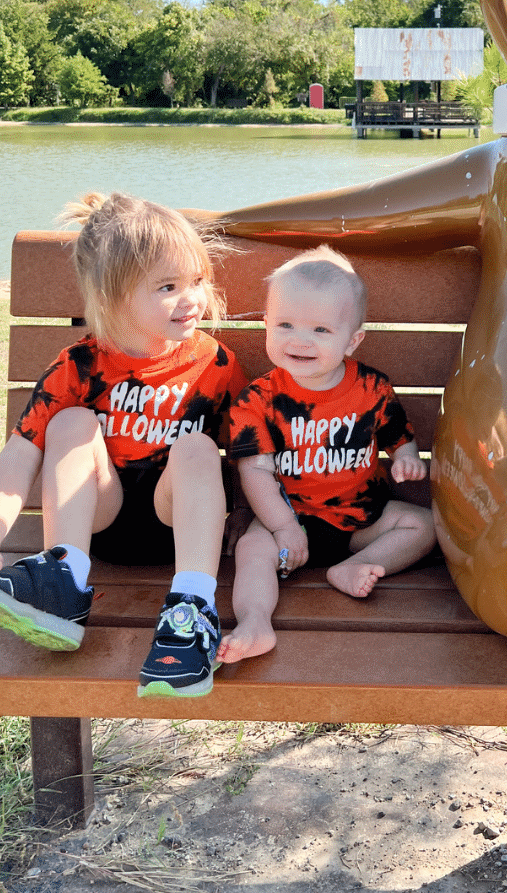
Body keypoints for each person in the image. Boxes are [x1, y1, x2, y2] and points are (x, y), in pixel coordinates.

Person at [0, 192, 246, 698]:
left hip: (176, 526)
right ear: (115, 298)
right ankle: (63, 580)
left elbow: (249, 456)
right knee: (69, 424)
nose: (192, 299)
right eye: (168, 286)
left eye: (197, 281)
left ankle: (192, 611)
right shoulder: (79, 366)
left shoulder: (215, 364)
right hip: (97, 521)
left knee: (198, 448)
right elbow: (19, 457)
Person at [218, 246, 434, 664]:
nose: (299, 340)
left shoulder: (371, 388)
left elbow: (397, 434)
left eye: (320, 330)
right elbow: (256, 473)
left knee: (422, 524)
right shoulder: (258, 400)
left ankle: (356, 567)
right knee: (253, 549)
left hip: (361, 524)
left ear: (352, 340)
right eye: (285, 324)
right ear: (266, 324)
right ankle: (254, 620)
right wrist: (282, 528)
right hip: (289, 521)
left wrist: (407, 456)